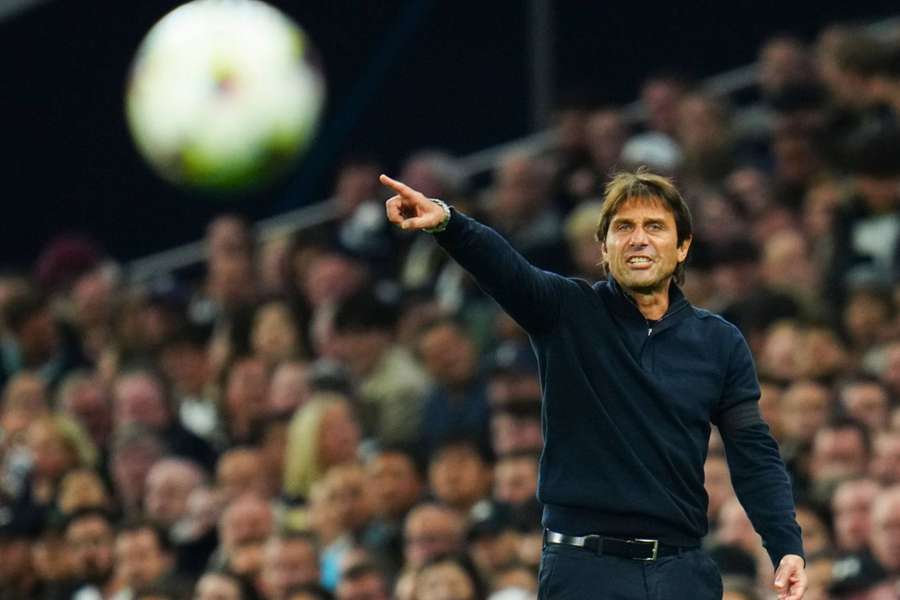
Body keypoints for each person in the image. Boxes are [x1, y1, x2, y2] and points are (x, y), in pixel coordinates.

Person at [380, 169, 807, 599]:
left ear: (682, 247)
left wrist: (785, 545)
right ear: (604, 247)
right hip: (584, 572)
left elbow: (753, 452)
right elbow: (506, 269)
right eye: (624, 227)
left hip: (682, 573)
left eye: (655, 227)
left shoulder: (720, 341)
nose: (639, 238)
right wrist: (448, 222)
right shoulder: (567, 312)